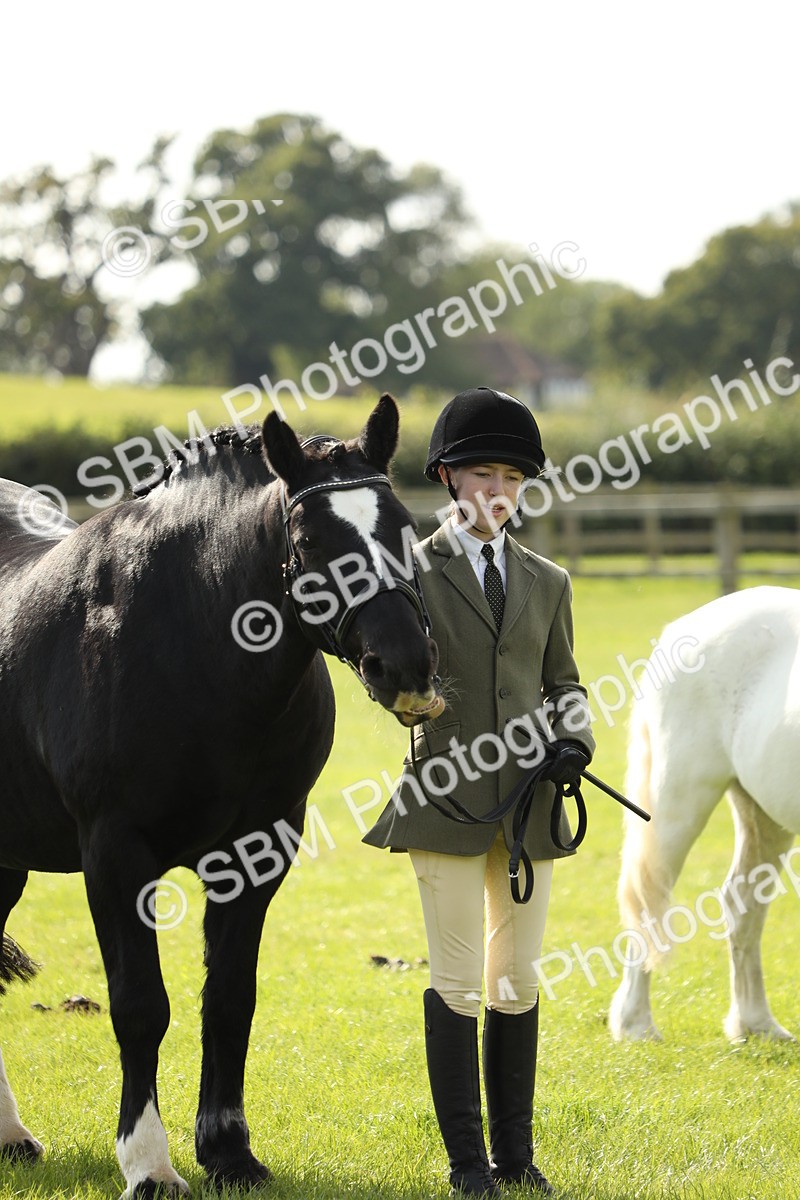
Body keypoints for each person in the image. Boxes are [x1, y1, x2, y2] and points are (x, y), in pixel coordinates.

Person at [363, 387, 596, 1197]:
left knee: (517, 980)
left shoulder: (549, 579)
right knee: (460, 979)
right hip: (450, 800)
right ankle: (468, 1165)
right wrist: (407, 701)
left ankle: (517, 1158)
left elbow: (565, 681)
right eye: (482, 474)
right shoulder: (410, 570)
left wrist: (575, 740)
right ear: (449, 481)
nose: (498, 489)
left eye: (512, 476)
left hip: (531, 805)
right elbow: (383, 669)